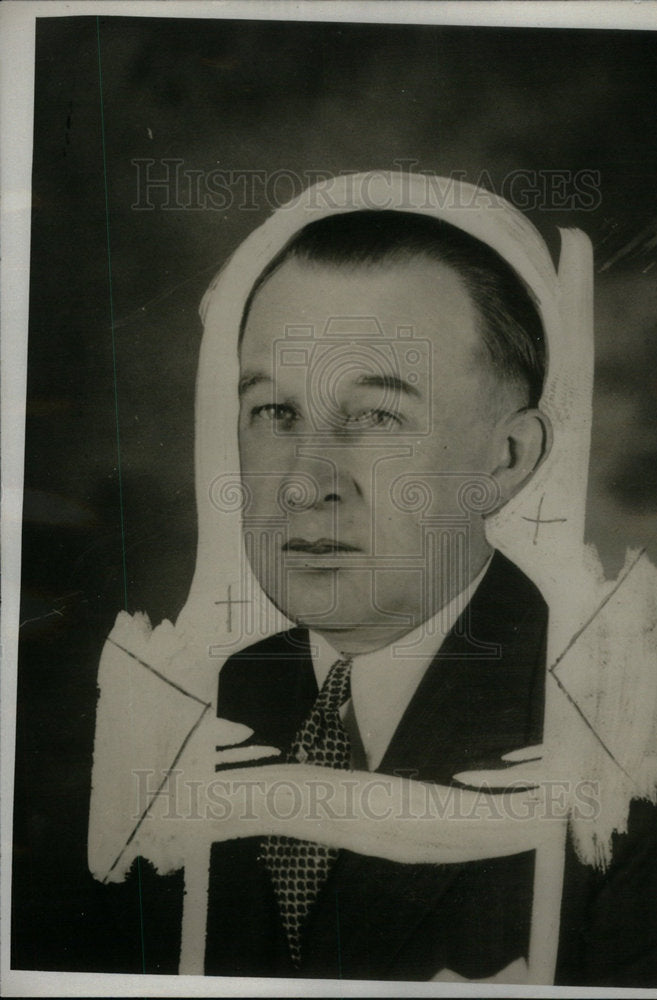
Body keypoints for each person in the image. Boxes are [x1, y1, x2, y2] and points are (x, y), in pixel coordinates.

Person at [205, 209, 551, 981]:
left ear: (506, 457)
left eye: (376, 417)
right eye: (274, 412)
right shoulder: (195, 704)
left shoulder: (619, 733)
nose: (302, 482)